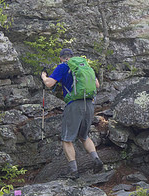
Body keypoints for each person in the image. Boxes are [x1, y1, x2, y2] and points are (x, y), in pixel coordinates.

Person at [41, 48, 104, 178]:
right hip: (89, 103)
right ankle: (96, 159)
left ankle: (73, 171)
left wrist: (43, 76)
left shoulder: (63, 67)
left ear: (61, 58)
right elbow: (97, 84)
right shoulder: (84, 66)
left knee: (66, 139)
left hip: (74, 104)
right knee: (84, 136)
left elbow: (49, 84)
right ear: (72, 56)